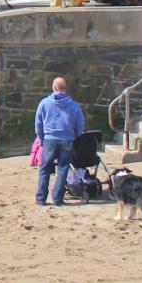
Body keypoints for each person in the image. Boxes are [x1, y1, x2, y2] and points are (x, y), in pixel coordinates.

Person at [34, 77, 85, 206]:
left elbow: (38, 123)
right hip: (67, 140)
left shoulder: (44, 103)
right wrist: (76, 135)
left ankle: (41, 199)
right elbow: (80, 126)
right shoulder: (74, 105)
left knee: (44, 169)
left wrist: (41, 138)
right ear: (65, 88)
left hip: (49, 140)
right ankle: (57, 199)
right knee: (63, 169)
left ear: (53, 87)